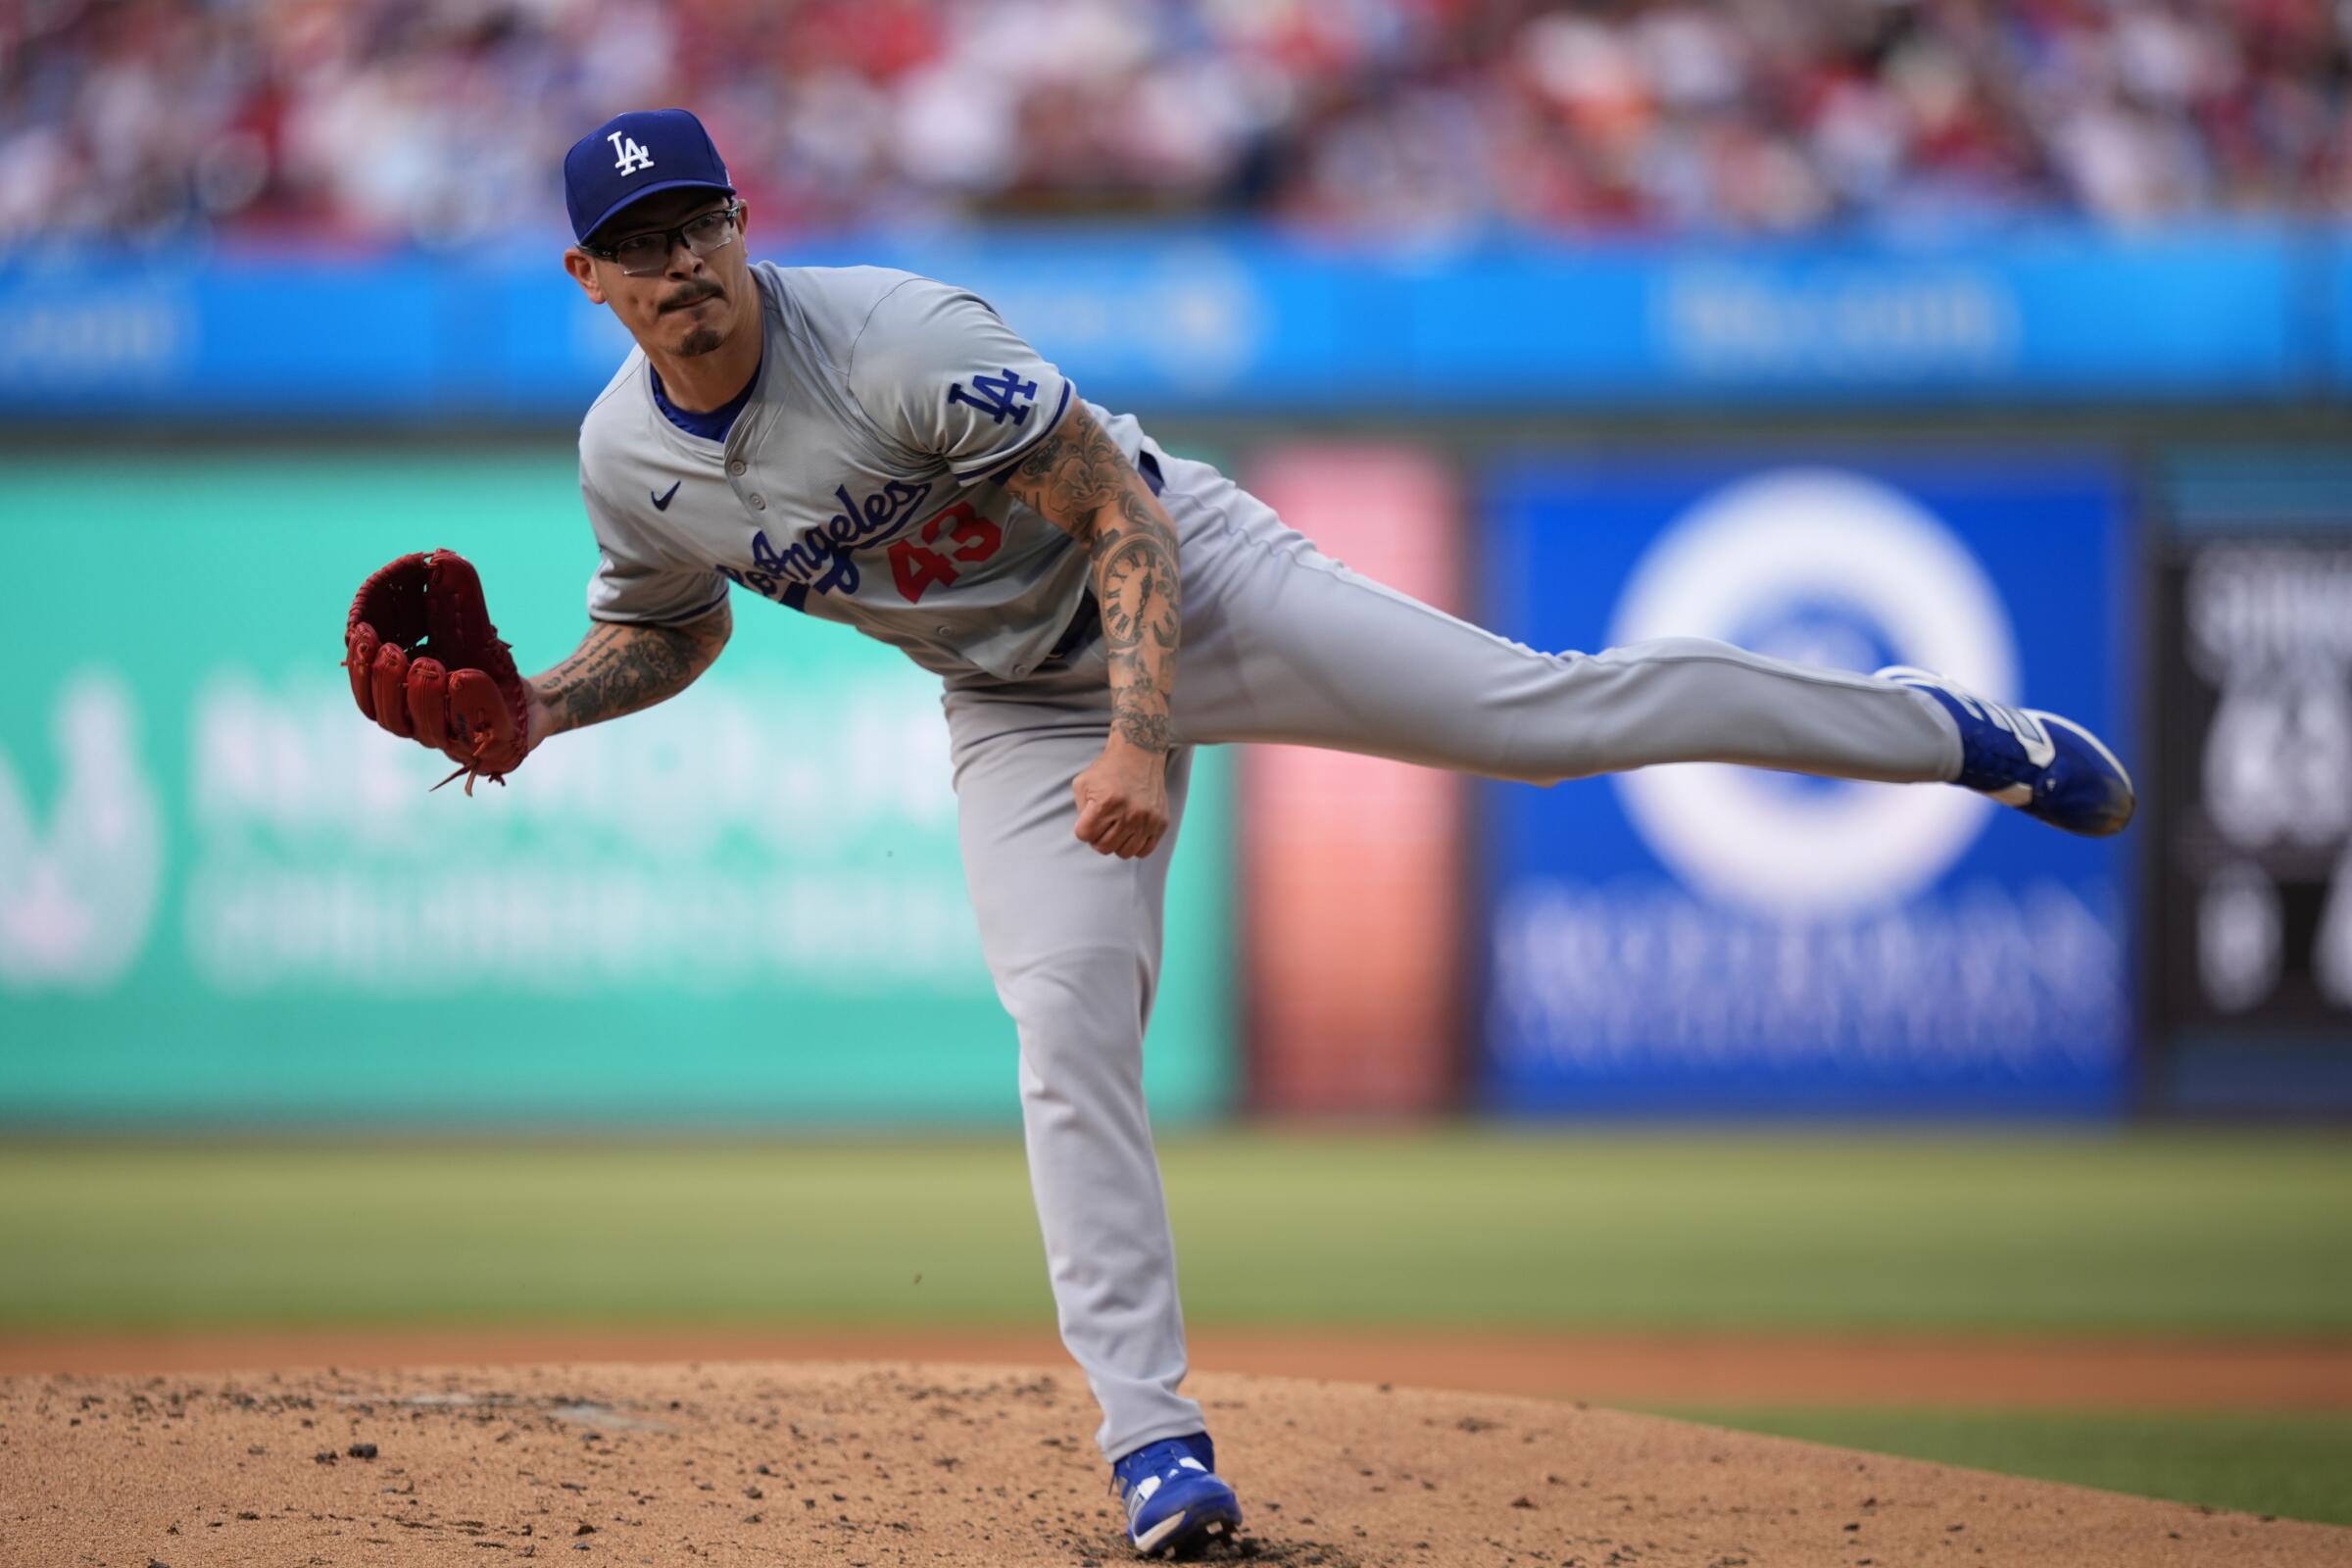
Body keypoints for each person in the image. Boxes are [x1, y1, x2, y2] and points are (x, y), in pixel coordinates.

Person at [528, 109, 2132, 1558]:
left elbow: (1123, 520)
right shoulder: (625, 458)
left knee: (1540, 720)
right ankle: (1154, 1443)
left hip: (1192, 581)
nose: (679, 265)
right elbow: (673, 631)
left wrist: (1147, 738)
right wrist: (538, 711)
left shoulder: (896, 336)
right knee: (1066, 1019)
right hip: (1012, 699)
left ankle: (1943, 731)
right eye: (638, 247)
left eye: (696, 224)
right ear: (589, 280)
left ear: (741, 220)